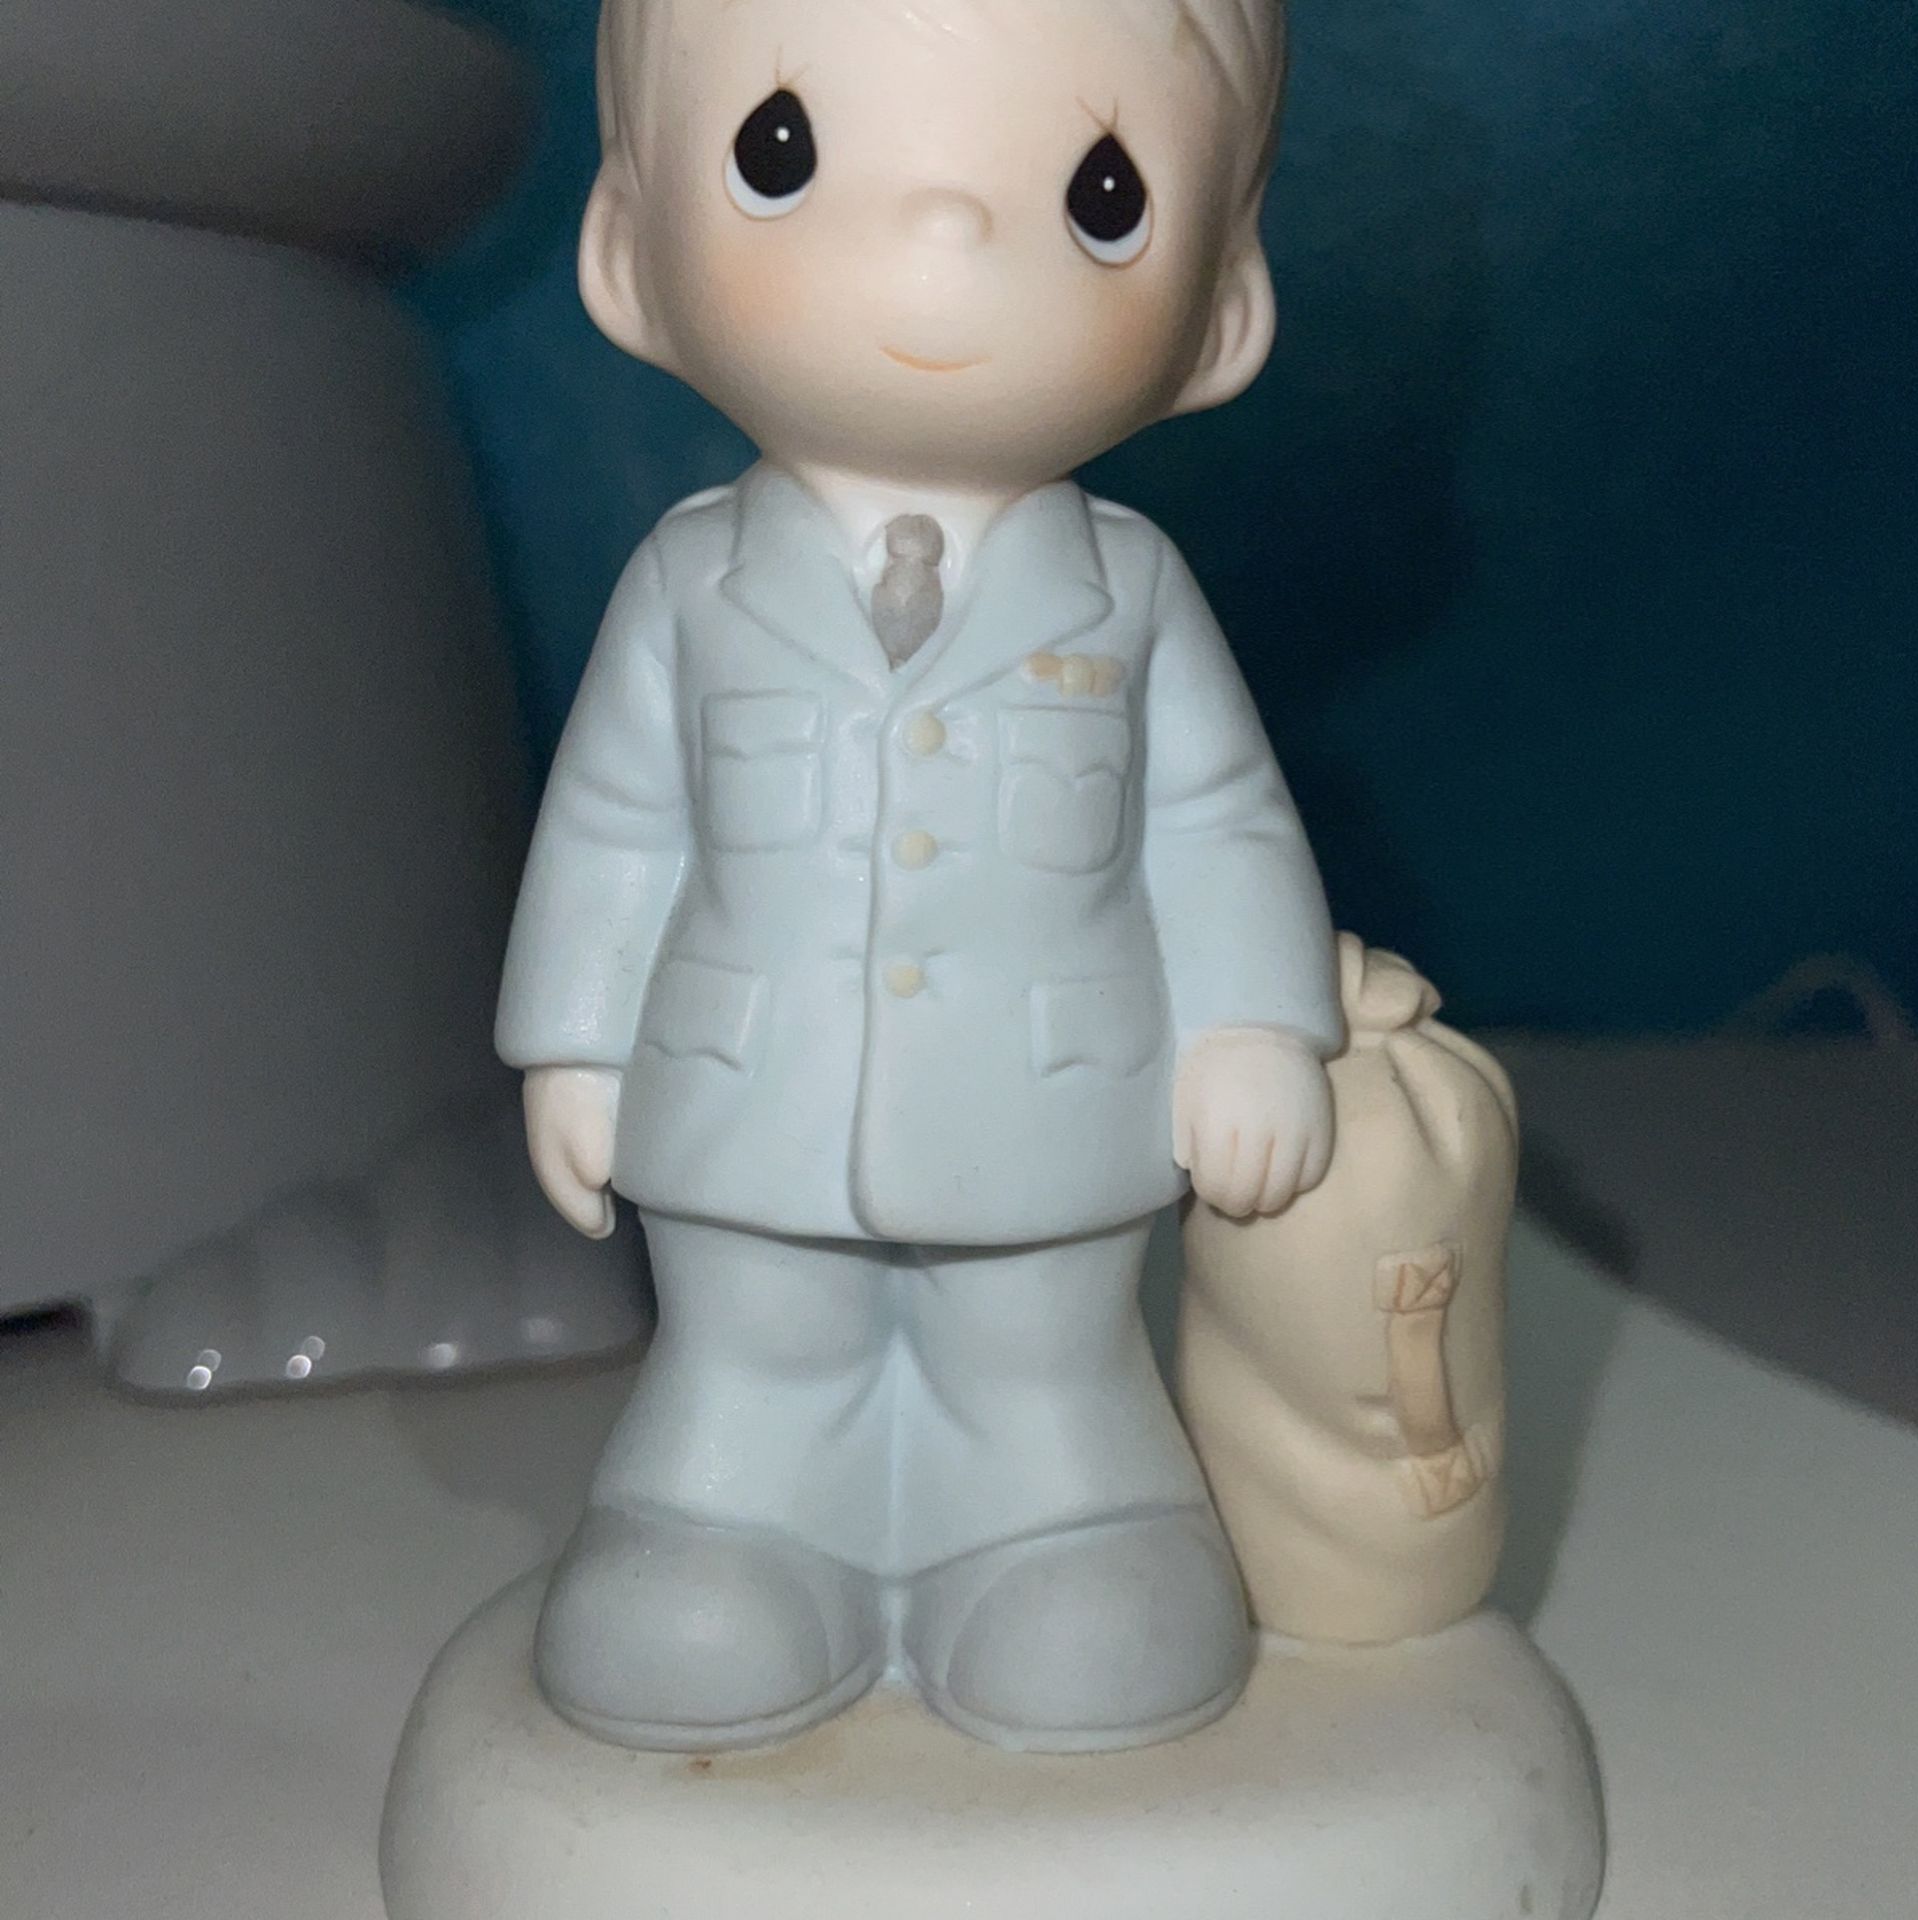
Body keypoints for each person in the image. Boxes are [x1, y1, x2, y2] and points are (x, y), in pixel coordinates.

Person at [496, 0, 1341, 1756]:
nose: (946, 234)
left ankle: (1074, 1534)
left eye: (1100, 195)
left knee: (1045, 1367)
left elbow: (1216, 821)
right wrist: (571, 1039)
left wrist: (1256, 1027)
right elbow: (618, 821)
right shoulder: (689, 584)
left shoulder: (1133, 595)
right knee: (748, 1355)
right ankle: (719, 1529)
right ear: (627, 246)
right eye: (782, 157)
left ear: (1224, 304)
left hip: (1052, 1110)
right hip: (749, 1100)